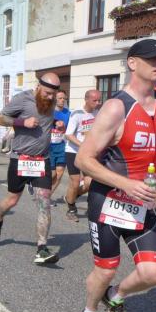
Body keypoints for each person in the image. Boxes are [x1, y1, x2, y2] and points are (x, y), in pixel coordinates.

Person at [76, 39, 156, 312]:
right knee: (106, 269)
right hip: (108, 202)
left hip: (143, 204)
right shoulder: (116, 108)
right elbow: (83, 159)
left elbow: (155, 150)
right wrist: (126, 184)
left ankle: (116, 296)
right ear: (132, 63)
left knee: (154, 273)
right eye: (152, 59)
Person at [0, 73, 62, 265]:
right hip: (20, 158)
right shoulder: (22, 99)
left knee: (44, 203)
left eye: (53, 94)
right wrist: (22, 122)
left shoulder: (52, 101)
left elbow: (45, 119)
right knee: (12, 200)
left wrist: (56, 123)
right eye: (47, 93)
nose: (50, 97)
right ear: (38, 86)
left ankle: (42, 248)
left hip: (42, 160)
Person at [64, 90, 102, 221]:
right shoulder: (77, 113)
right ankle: (71, 208)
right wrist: (82, 145)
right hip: (73, 151)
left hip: (88, 152)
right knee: (75, 183)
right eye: (95, 100)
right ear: (86, 99)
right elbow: (68, 135)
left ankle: (70, 197)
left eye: (99, 100)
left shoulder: (98, 113)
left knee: (89, 183)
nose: (98, 103)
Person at [50, 90, 71, 200]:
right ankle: (36, 185)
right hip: (49, 147)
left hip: (62, 146)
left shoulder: (68, 113)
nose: (62, 100)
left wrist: (64, 129)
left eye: (64, 98)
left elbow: (71, 129)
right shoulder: (48, 112)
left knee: (59, 174)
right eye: (60, 98)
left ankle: (47, 197)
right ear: (55, 99)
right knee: (52, 174)